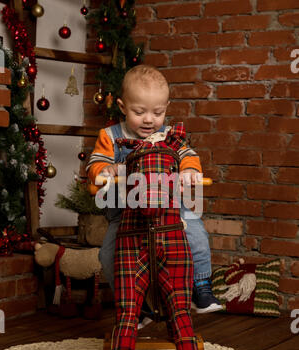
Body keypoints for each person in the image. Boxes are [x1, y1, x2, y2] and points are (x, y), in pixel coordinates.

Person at [86, 65, 222, 328]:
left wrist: (190, 172)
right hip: (126, 214)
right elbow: (95, 167)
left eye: (157, 113)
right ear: (123, 107)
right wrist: (106, 170)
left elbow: (189, 156)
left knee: (196, 232)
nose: (149, 119)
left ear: (166, 108)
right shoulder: (110, 137)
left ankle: (201, 286)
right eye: (139, 112)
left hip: (171, 210)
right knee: (108, 254)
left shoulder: (170, 137)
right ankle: (134, 305)